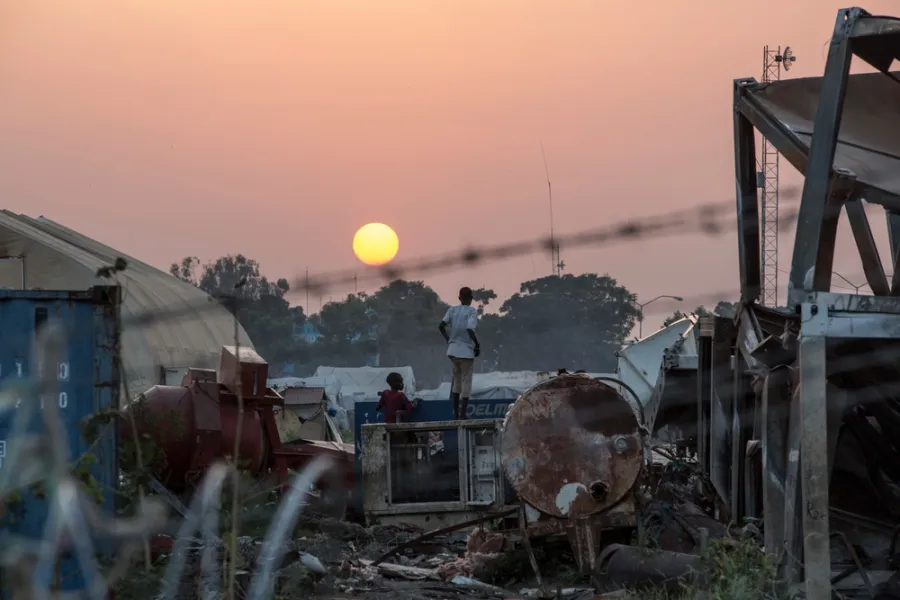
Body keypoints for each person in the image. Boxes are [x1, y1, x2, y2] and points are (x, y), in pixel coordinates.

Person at [438, 286, 480, 419]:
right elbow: (469, 329)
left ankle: (456, 413)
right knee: (466, 381)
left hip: (453, 351)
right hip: (466, 351)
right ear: (471, 299)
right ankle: (463, 413)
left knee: (456, 381)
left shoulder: (452, 310)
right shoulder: (472, 311)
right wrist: (477, 344)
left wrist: (448, 340)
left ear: (459, 298)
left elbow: (441, 326)